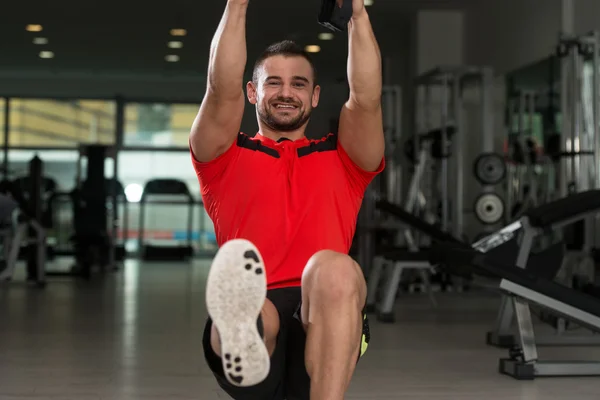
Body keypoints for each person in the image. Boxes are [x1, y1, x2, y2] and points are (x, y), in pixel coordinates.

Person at [189, 0, 384, 398]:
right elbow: (219, 90)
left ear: (314, 97)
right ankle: (243, 333)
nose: (285, 92)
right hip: (261, 308)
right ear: (252, 91)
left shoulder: (345, 160)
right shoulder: (223, 158)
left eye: (298, 84)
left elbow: (366, 99)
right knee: (250, 299)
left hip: (326, 316)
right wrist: (237, 4)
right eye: (272, 82)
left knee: (335, 269)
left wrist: (358, 13)